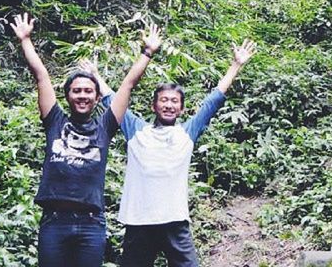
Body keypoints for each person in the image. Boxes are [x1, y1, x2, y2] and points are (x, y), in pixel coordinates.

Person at [9, 12, 162, 267]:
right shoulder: (55, 120)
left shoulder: (105, 126)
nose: (82, 95)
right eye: (76, 91)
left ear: (96, 95)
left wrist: (147, 52)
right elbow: (41, 76)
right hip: (54, 222)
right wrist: (25, 40)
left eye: (88, 91)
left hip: (91, 224)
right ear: (68, 96)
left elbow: (127, 85)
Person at [96, 38, 257, 267]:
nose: (169, 105)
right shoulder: (136, 130)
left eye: (174, 101)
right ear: (154, 106)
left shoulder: (187, 133)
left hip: (175, 220)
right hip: (139, 221)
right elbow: (114, 99)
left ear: (181, 108)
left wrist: (236, 65)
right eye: (163, 100)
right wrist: (95, 75)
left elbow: (213, 101)